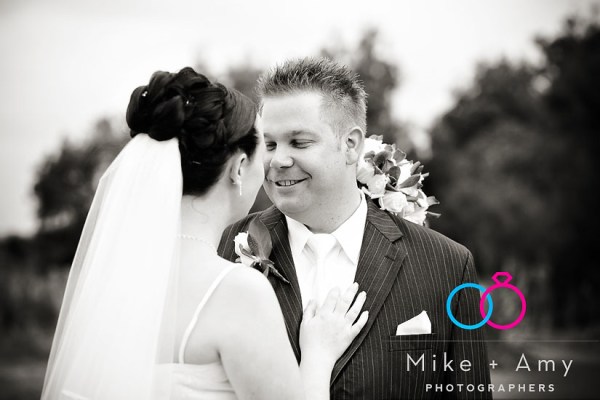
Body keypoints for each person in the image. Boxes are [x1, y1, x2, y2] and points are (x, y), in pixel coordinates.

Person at [41, 67, 368, 400]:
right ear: (239, 168)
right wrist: (318, 357)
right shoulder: (239, 292)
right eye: (265, 148)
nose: (273, 163)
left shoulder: (113, 279)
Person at [219, 58, 492, 399]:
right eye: (270, 145)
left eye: (299, 143)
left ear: (350, 145)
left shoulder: (447, 265)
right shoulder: (223, 251)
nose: (277, 161)